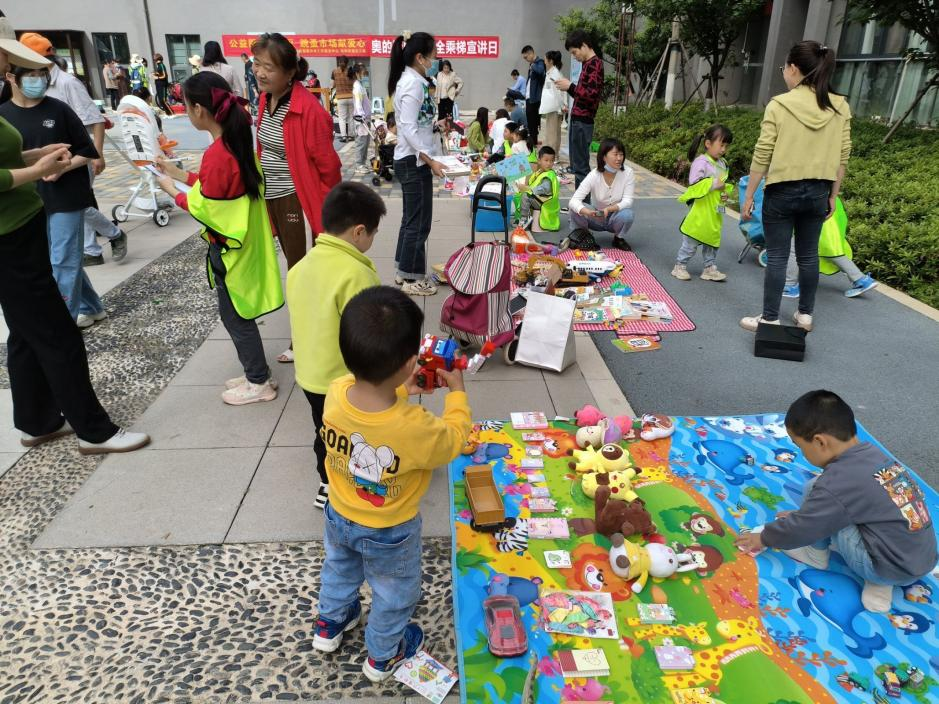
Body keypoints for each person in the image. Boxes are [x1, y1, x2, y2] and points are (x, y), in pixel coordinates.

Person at [311, 285, 472, 682]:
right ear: (410, 362)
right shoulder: (413, 427)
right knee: (394, 592)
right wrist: (457, 395)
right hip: (390, 530)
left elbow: (369, 409)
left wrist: (399, 387)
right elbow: (453, 441)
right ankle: (384, 655)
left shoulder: (335, 392)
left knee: (339, 569)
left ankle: (329, 623)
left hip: (339, 512)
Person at [0, 34, 150, 455]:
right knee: (57, 333)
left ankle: (38, 421)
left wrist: (34, 157)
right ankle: (94, 430)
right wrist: (37, 171)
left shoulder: (45, 105)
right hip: (9, 236)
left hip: (19, 226)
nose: (7, 57)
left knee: (25, 332)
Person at [734, 390, 937, 613]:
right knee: (824, 494)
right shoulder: (875, 456)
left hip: (885, 568)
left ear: (820, 442)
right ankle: (882, 577)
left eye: (800, 447)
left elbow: (808, 525)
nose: (802, 454)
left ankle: (818, 556)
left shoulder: (837, 484)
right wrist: (809, 513)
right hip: (923, 560)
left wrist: (763, 537)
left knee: (822, 497)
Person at [154, 72, 283, 406]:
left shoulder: (217, 153)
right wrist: (178, 174)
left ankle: (258, 381)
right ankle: (257, 372)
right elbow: (217, 187)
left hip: (229, 251)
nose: (186, 112)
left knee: (236, 317)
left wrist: (171, 191)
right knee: (239, 314)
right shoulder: (235, 145)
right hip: (245, 247)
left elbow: (208, 206)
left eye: (186, 106)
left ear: (199, 109)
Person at [740, 40, 852, 333]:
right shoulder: (840, 106)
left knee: (778, 257)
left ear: (793, 68)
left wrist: (749, 195)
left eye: (784, 67)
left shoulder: (780, 104)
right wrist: (833, 195)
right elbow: (843, 156)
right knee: (808, 256)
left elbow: (762, 154)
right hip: (819, 191)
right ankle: (805, 315)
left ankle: (770, 318)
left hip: (782, 191)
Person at [286, 182, 385, 510]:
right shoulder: (356, 274)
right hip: (345, 381)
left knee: (324, 429)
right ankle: (361, 484)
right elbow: (370, 337)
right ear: (359, 232)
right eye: (373, 234)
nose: (371, 240)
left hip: (310, 376)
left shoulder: (300, 268)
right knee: (359, 433)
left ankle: (326, 482)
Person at [0, 58, 111, 329]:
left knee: (63, 260)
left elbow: (87, 150)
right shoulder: (3, 116)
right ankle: (92, 307)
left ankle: (63, 323)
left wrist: (61, 168)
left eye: (41, 74)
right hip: (30, 200)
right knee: (60, 260)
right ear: (11, 78)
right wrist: (37, 168)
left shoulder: (58, 109)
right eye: (30, 75)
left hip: (67, 195)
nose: (38, 80)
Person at [252, 32, 342, 362]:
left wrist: (324, 210)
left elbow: (329, 167)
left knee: (301, 273)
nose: (261, 73)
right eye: (257, 64)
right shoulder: (266, 99)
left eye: (269, 67)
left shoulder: (308, 111)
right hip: (273, 196)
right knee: (296, 271)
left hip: (297, 199)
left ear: (290, 72)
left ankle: (305, 340)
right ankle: (311, 334)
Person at [17, 34, 130, 272]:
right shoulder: (21, 91)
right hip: (43, 163)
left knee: (76, 206)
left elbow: (95, 120)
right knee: (69, 209)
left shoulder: (68, 83)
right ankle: (99, 244)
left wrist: (98, 154)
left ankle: (98, 245)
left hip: (75, 158)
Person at [388, 31, 447, 297]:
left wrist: (435, 126)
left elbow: (415, 125)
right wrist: (430, 160)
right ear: (420, 57)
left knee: (411, 219)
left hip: (413, 160)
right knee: (419, 223)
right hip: (413, 162)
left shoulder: (414, 81)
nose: (435, 61)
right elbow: (408, 131)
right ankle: (412, 279)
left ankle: (403, 271)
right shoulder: (412, 84)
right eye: (433, 56)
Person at [780, 198, 878, 299]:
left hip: (816, 207)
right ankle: (860, 279)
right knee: (831, 251)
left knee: (796, 247)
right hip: (829, 209)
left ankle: (789, 285)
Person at [672, 124, 734, 283]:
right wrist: (714, 184)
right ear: (708, 143)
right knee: (692, 239)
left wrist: (724, 194)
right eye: (721, 145)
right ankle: (680, 266)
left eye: (726, 146)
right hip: (700, 210)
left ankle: (709, 268)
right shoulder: (701, 162)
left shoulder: (723, 163)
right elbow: (694, 185)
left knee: (712, 239)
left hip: (715, 210)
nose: (723, 149)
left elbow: (722, 184)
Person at [567, 137, 635, 251]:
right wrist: (587, 212)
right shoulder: (594, 175)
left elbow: (628, 201)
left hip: (615, 216)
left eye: (621, 154)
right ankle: (583, 236)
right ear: (604, 157)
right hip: (596, 216)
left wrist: (610, 209)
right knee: (575, 209)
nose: (619, 158)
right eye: (615, 154)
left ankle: (618, 239)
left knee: (628, 214)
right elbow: (574, 201)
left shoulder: (628, 172)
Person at [556, 30, 604, 188]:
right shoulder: (588, 64)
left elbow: (591, 96)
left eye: (574, 52)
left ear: (583, 46)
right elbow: (583, 95)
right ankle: (580, 200)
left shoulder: (595, 64)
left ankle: (583, 201)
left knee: (581, 167)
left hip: (583, 122)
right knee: (577, 166)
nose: (574, 56)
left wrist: (570, 86)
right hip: (578, 120)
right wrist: (569, 87)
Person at [515, 145, 559, 232]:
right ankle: (523, 217)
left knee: (525, 196)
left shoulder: (549, 175)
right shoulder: (540, 172)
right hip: (542, 199)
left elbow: (544, 189)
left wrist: (528, 189)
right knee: (519, 195)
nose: (549, 163)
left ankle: (524, 220)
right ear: (539, 161)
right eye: (546, 160)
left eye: (551, 161)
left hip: (545, 203)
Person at [539, 50, 564, 155]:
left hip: (555, 108)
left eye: (545, 59)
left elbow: (559, 92)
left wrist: (561, 107)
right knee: (551, 132)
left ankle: (552, 156)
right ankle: (552, 155)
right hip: (551, 108)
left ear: (551, 61)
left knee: (553, 134)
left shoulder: (555, 74)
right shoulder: (550, 73)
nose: (544, 61)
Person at [521, 45, 545, 146]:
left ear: (531, 53)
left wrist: (533, 65)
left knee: (533, 122)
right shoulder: (532, 64)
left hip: (534, 98)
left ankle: (533, 143)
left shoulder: (539, 62)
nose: (526, 59)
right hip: (529, 98)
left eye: (526, 57)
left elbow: (541, 71)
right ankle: (532, 142)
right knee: (530, 122)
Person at [350, 62, 371, 175]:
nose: (364, 75)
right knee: (361, 143)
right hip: (361, 120)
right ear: (357, 73)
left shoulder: (361, 86)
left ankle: (363, 162)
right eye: (363, 73)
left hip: (366, 119)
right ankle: (359, 165)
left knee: (366, 142)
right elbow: (358, 104)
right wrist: (361, 116)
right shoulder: (357, 87)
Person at [332, 56, 355, 142]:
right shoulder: (350, 71)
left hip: (341, 98)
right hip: (351, 97)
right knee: (351, 117)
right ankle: (351, 135)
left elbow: (333, 85)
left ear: (339, 62)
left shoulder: (334, 71)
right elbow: (354, 82)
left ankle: (344, 136)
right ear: (347, 63)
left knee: (342, 118)